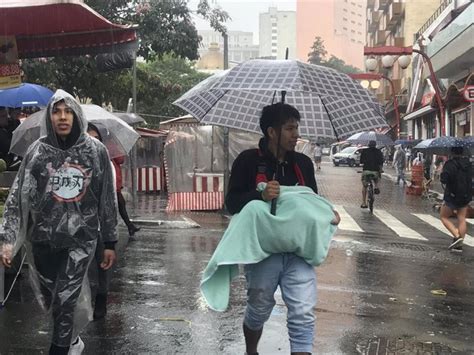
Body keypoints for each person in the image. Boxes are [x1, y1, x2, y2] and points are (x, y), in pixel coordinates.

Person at [0, 90, 118, 355]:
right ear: (49, 116)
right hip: (42, 240)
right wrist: (8, 240)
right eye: (56, 111)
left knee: (66, 298)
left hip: (80, 240)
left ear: (77, 115)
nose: (63, 117)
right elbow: (19, 198)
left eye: (68, 111)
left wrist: (109, 241)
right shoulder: (38, 152)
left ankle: (60, 349)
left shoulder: (94, 151)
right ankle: (72, 339)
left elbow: (107, 199)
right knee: (53, 299)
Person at [225, 102, 340, 355]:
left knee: (302, 312)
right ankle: (251, 350)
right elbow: (232, 204)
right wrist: (260, 196)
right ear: (272, 132)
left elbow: (312, 202)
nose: (296, 134)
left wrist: (328, 213)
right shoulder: (248, 161)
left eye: (297, 128)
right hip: (262, 251)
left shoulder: (303, 164)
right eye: (289, 128)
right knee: (258, 308)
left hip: (299, 252)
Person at [440, 146, 472, 252]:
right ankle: (459, 245)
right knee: (461, 218)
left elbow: (444, 179)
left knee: (444, 216)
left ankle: (457, 236)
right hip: (465, 195)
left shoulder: (449, 164)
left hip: (452, 195)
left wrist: (442, 172)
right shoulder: (469, 164)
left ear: (452, 152)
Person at [359, 140, 384, 209]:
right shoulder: (379, 152)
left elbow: (361, 161)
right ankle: (376, 186)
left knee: (364, 186)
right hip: (375, 171)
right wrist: (380, 170)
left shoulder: (364, 151)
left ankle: (364, 203)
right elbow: (381, 162)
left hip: (366, 171)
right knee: (377, 177)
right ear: (375, 145)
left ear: (368, 145)